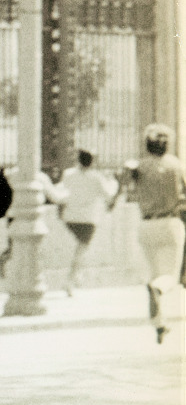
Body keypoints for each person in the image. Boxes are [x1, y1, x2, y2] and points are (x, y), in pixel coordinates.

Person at [127, 125, 186, 343]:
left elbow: (126, 186)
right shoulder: (175, 165)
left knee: (154, 274)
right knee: (168, 277)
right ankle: (157, 290)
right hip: (170, 223)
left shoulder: (139, 166)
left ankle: (159, 324)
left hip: (146, 224)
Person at [52, 149, 118, 296]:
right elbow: (109, 194)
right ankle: (71, 280)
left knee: (78, 250)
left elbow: (61, 191)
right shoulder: (96, 178)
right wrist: (113, 182)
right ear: (92, 162)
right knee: (81, 251)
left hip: (69, 218)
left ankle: (76, 277)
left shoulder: (68, 174)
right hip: (88, 220)